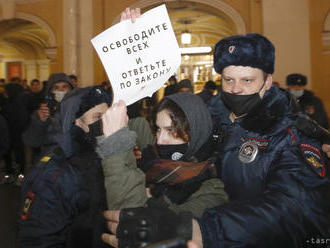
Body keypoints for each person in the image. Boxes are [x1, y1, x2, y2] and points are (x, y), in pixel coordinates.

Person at [102, 32, 330, 248]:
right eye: (229, 80)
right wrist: (130, 38)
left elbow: (298, 209)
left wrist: (205, 230)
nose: (236, 88)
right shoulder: (212, 120)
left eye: (247, 80)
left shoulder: (289, 135)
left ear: (268, 81)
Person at [97, 92, 227, 218]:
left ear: (196, 132)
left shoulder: (212, 192)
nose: (160, 140)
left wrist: (116, 145)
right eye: (159, 129)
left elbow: (139, 225)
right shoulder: (152, 160)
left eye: (171, 130)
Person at [18, 86, 110, 248]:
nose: (105, 122)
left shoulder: (105, 156)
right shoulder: (54, 172)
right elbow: (38, 238)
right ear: (75, 120)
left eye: (107, 116)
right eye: (97, 116)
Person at [22, 73, 74, 156]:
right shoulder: (43, 112)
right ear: (50, 91)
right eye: (56, 87)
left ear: (71, 89)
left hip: (75, 160)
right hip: (51, 159)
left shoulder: (80, 109)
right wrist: (40, 122)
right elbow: (32, 142)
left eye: (64, 87)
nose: (61, 91)